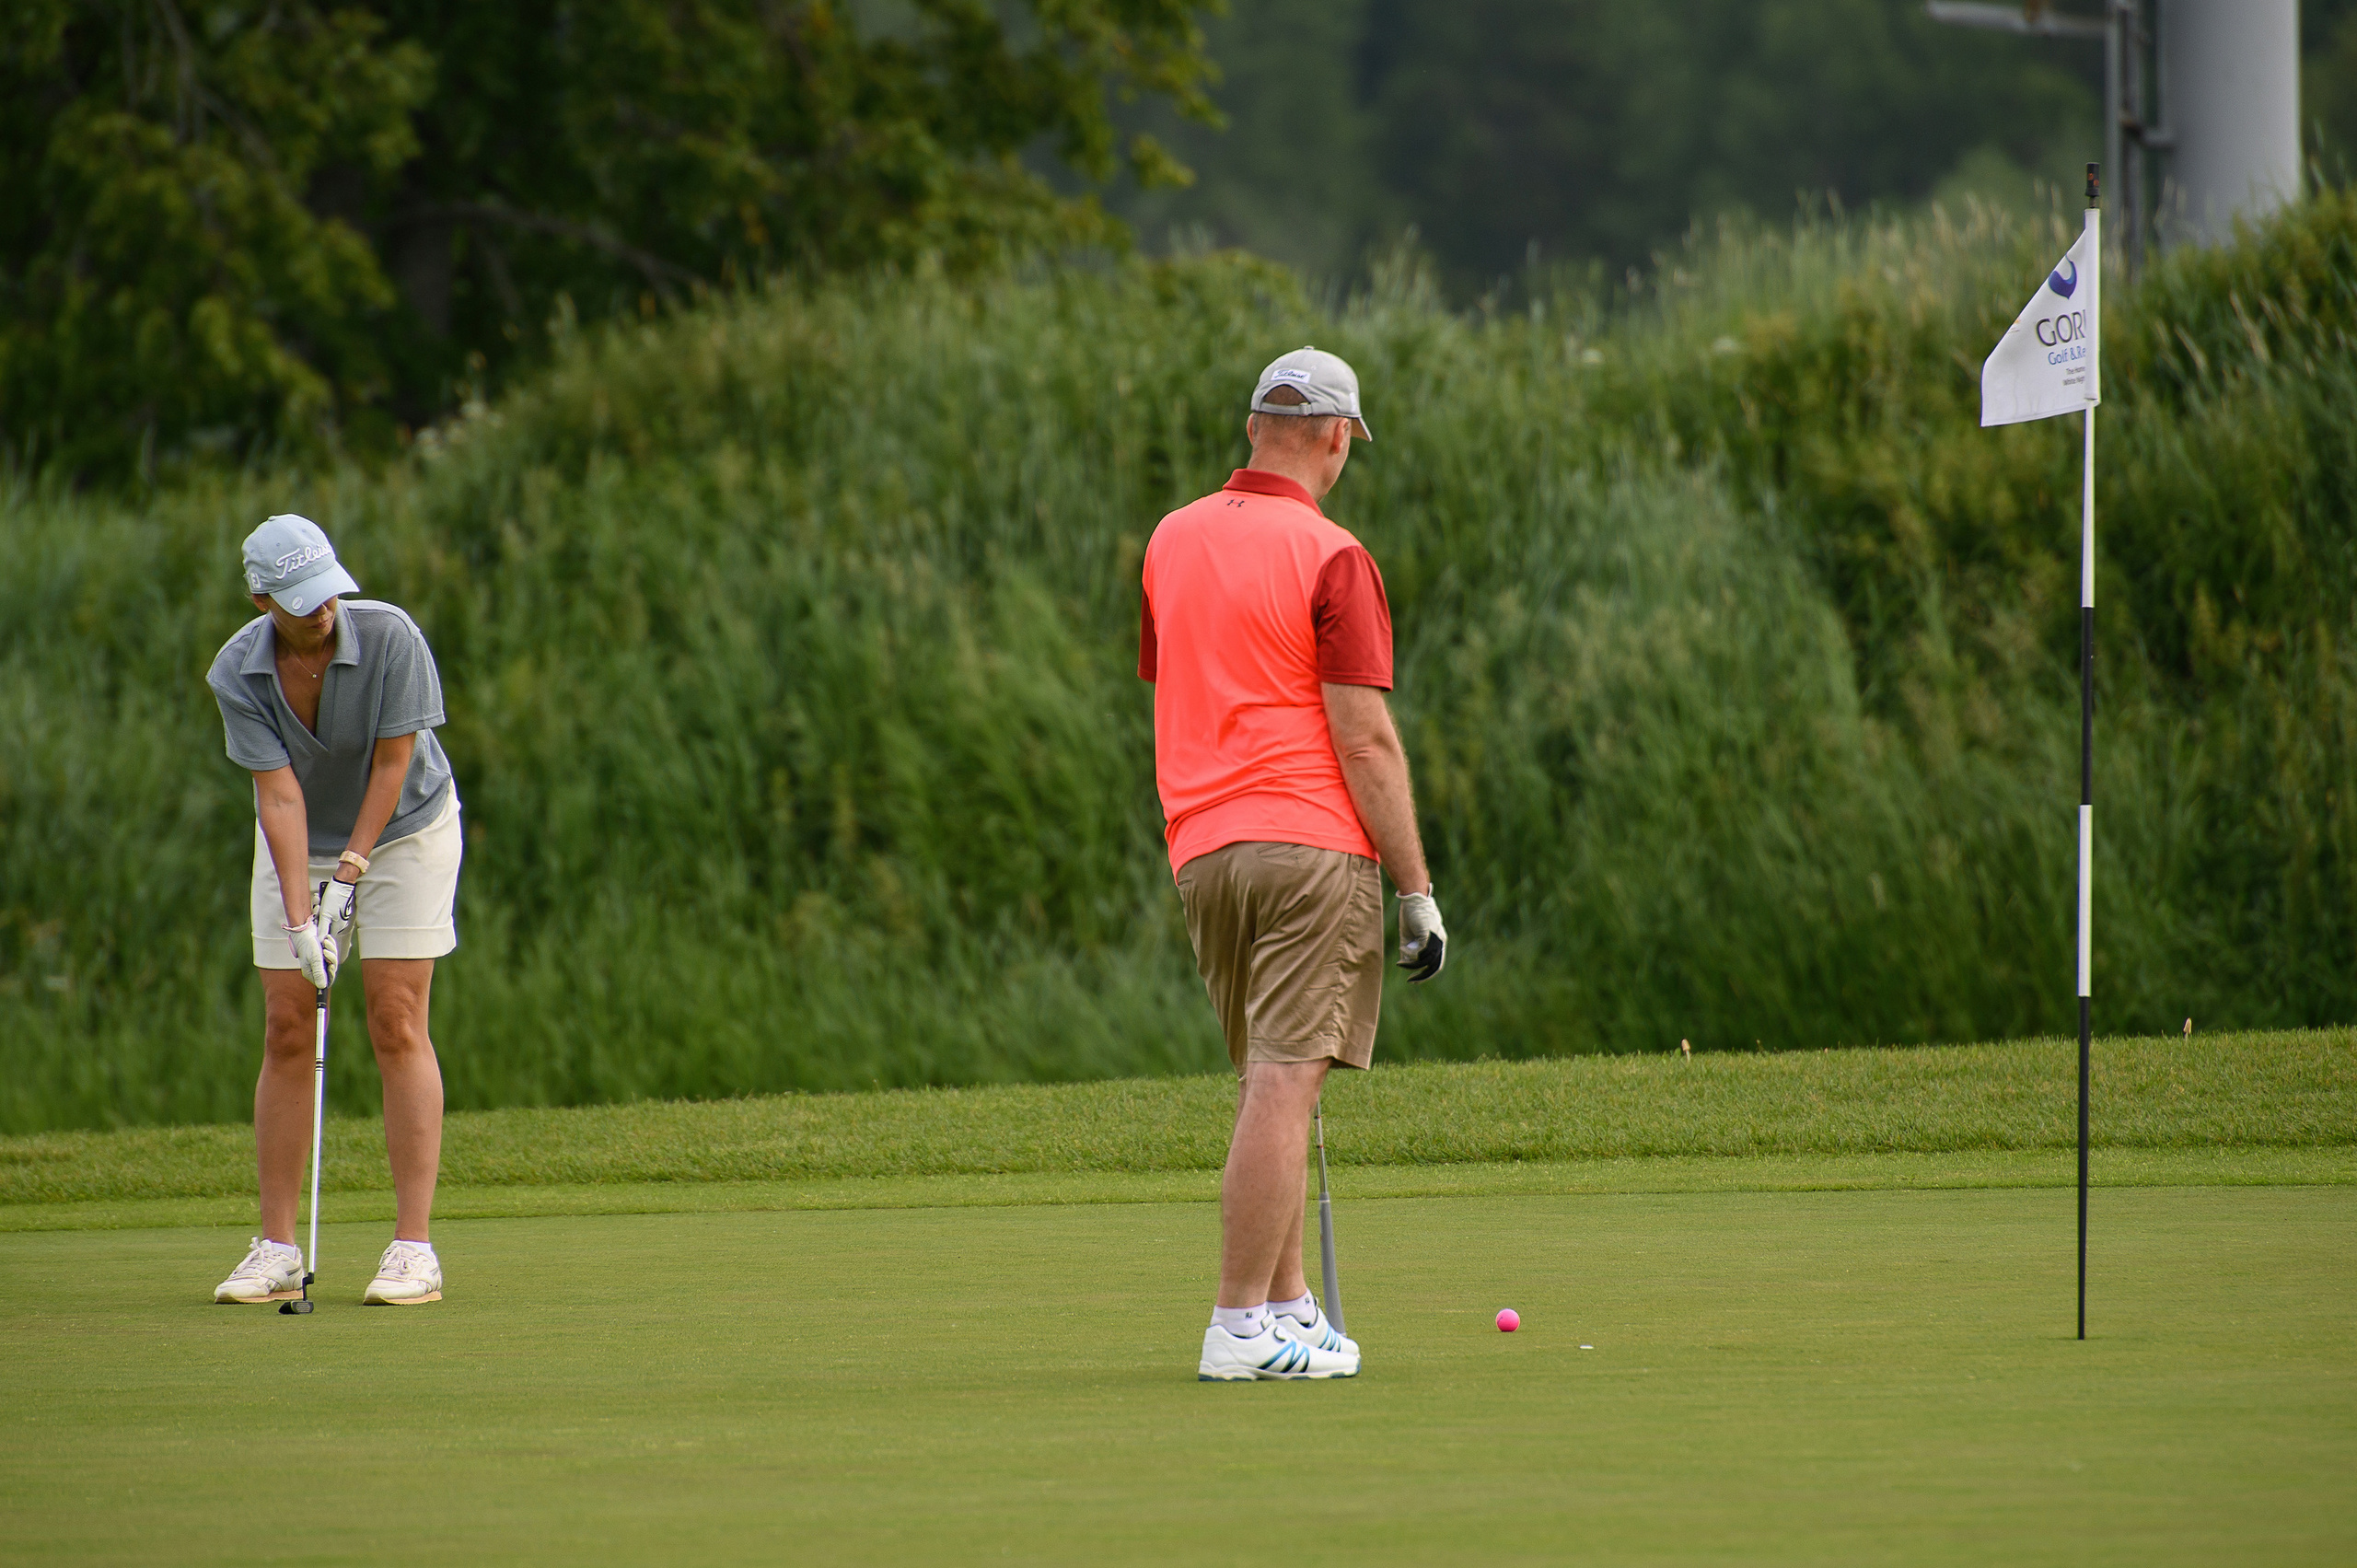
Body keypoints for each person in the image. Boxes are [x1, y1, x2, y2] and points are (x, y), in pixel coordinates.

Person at [1139, 347, 1448, 1381]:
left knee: (1267, 1077)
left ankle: (1285, 1304)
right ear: (1336, 438)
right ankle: (1236, 1326)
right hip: (1308, 841)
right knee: (1284, 1080)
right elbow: (1363, 738)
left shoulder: (1170, 538)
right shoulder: (1332, 553)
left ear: (1250, 428)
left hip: (1202, 848)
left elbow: (1181, 671)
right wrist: (1416, 889)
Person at [204, 514, 461, 1307]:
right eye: (300, 601)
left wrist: (349, 873)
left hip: (406, 828)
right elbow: (277, 796)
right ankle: (277, 1245)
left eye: (326, 594)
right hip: (297, 840)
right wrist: (297, 919)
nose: (322, 611)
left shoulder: (392, 638)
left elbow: (395, 763)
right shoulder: (237, 672)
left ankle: (413, 1247)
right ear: (259, 600)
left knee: (395, 1015)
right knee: (289, 1023)